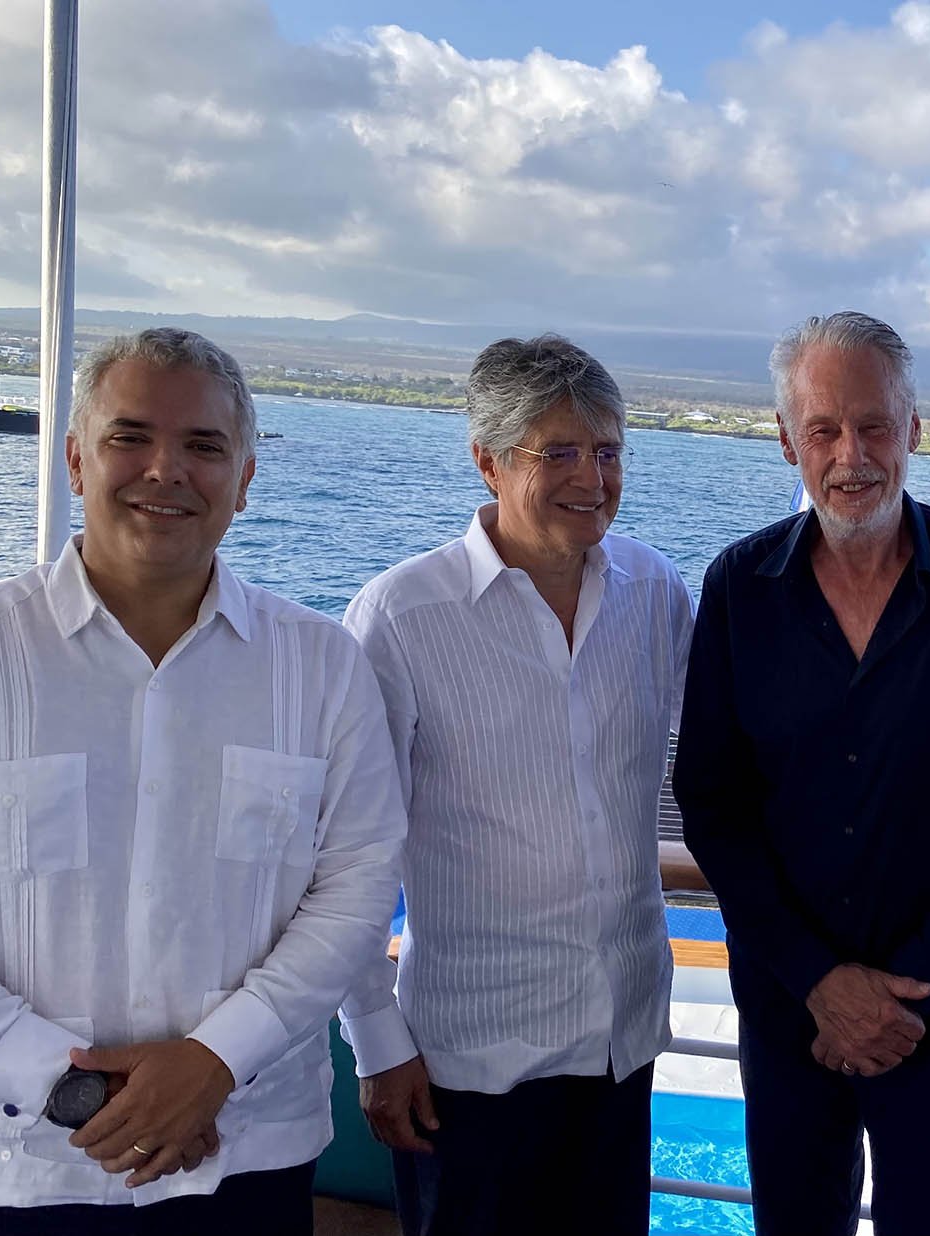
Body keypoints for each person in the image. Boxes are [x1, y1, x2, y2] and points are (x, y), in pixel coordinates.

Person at [0, 328, 406, 1233]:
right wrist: (78, 1091)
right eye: (131, 437)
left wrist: (215, 1063)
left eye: (204, 445)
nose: (166, 469)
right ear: (76, 461)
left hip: (244, 1157)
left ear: (244, 480)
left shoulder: (323, 667)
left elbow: (356, 892)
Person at [672, 311, 930, 1235]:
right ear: (787, 439)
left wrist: (908, 991)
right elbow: (713, 803)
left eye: (874, 426)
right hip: (790, 1009)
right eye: (824, 429)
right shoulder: (738, 588)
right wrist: (821, 981)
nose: (851, 455)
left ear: (913, 431)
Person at [336, 335, 692, 1235]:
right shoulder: (400, 619)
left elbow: (732, 760)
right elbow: (344, 850)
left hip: (620, 1044)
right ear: (488, 461)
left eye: (607, 451)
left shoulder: (655, 590)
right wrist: (375, 1041)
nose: (591, 478)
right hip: (470, 1063)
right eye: (558, 452)